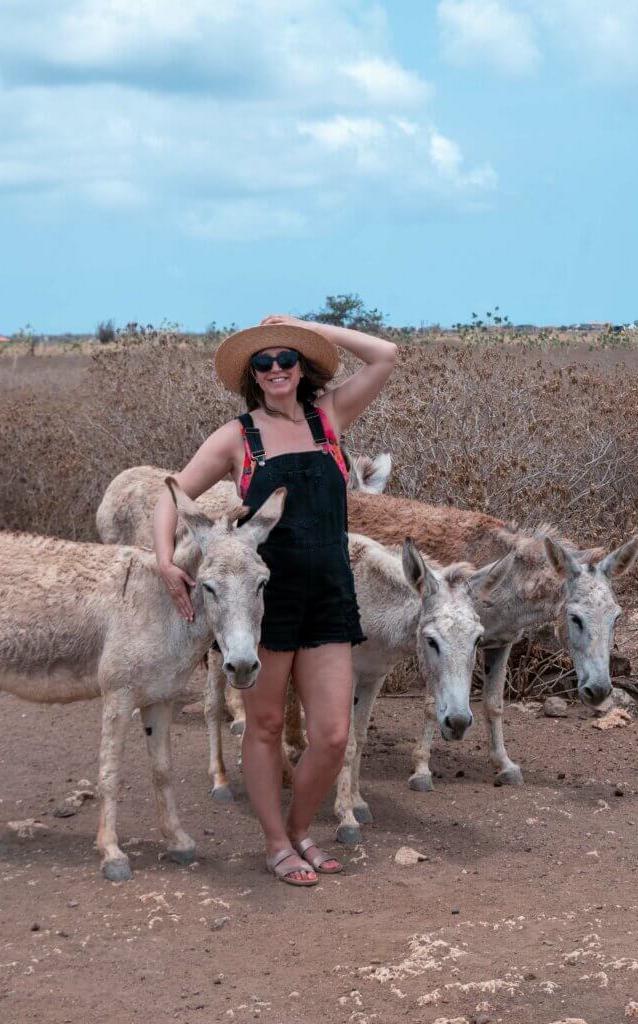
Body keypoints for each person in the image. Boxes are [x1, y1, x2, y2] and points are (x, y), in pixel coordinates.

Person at [154, 313, 397, 886]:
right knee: (264, 727)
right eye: (264, 362)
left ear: (303, 366)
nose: (277, 369)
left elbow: (385, 355)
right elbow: (170, 494)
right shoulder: (237, 437)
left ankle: (298, 828)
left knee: (333, 735)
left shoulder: (330, 416)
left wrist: (310, 328)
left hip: (331, 595)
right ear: (252, 376)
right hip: (257, 605)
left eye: (288, 358)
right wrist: (166, 560)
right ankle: (276, 844)